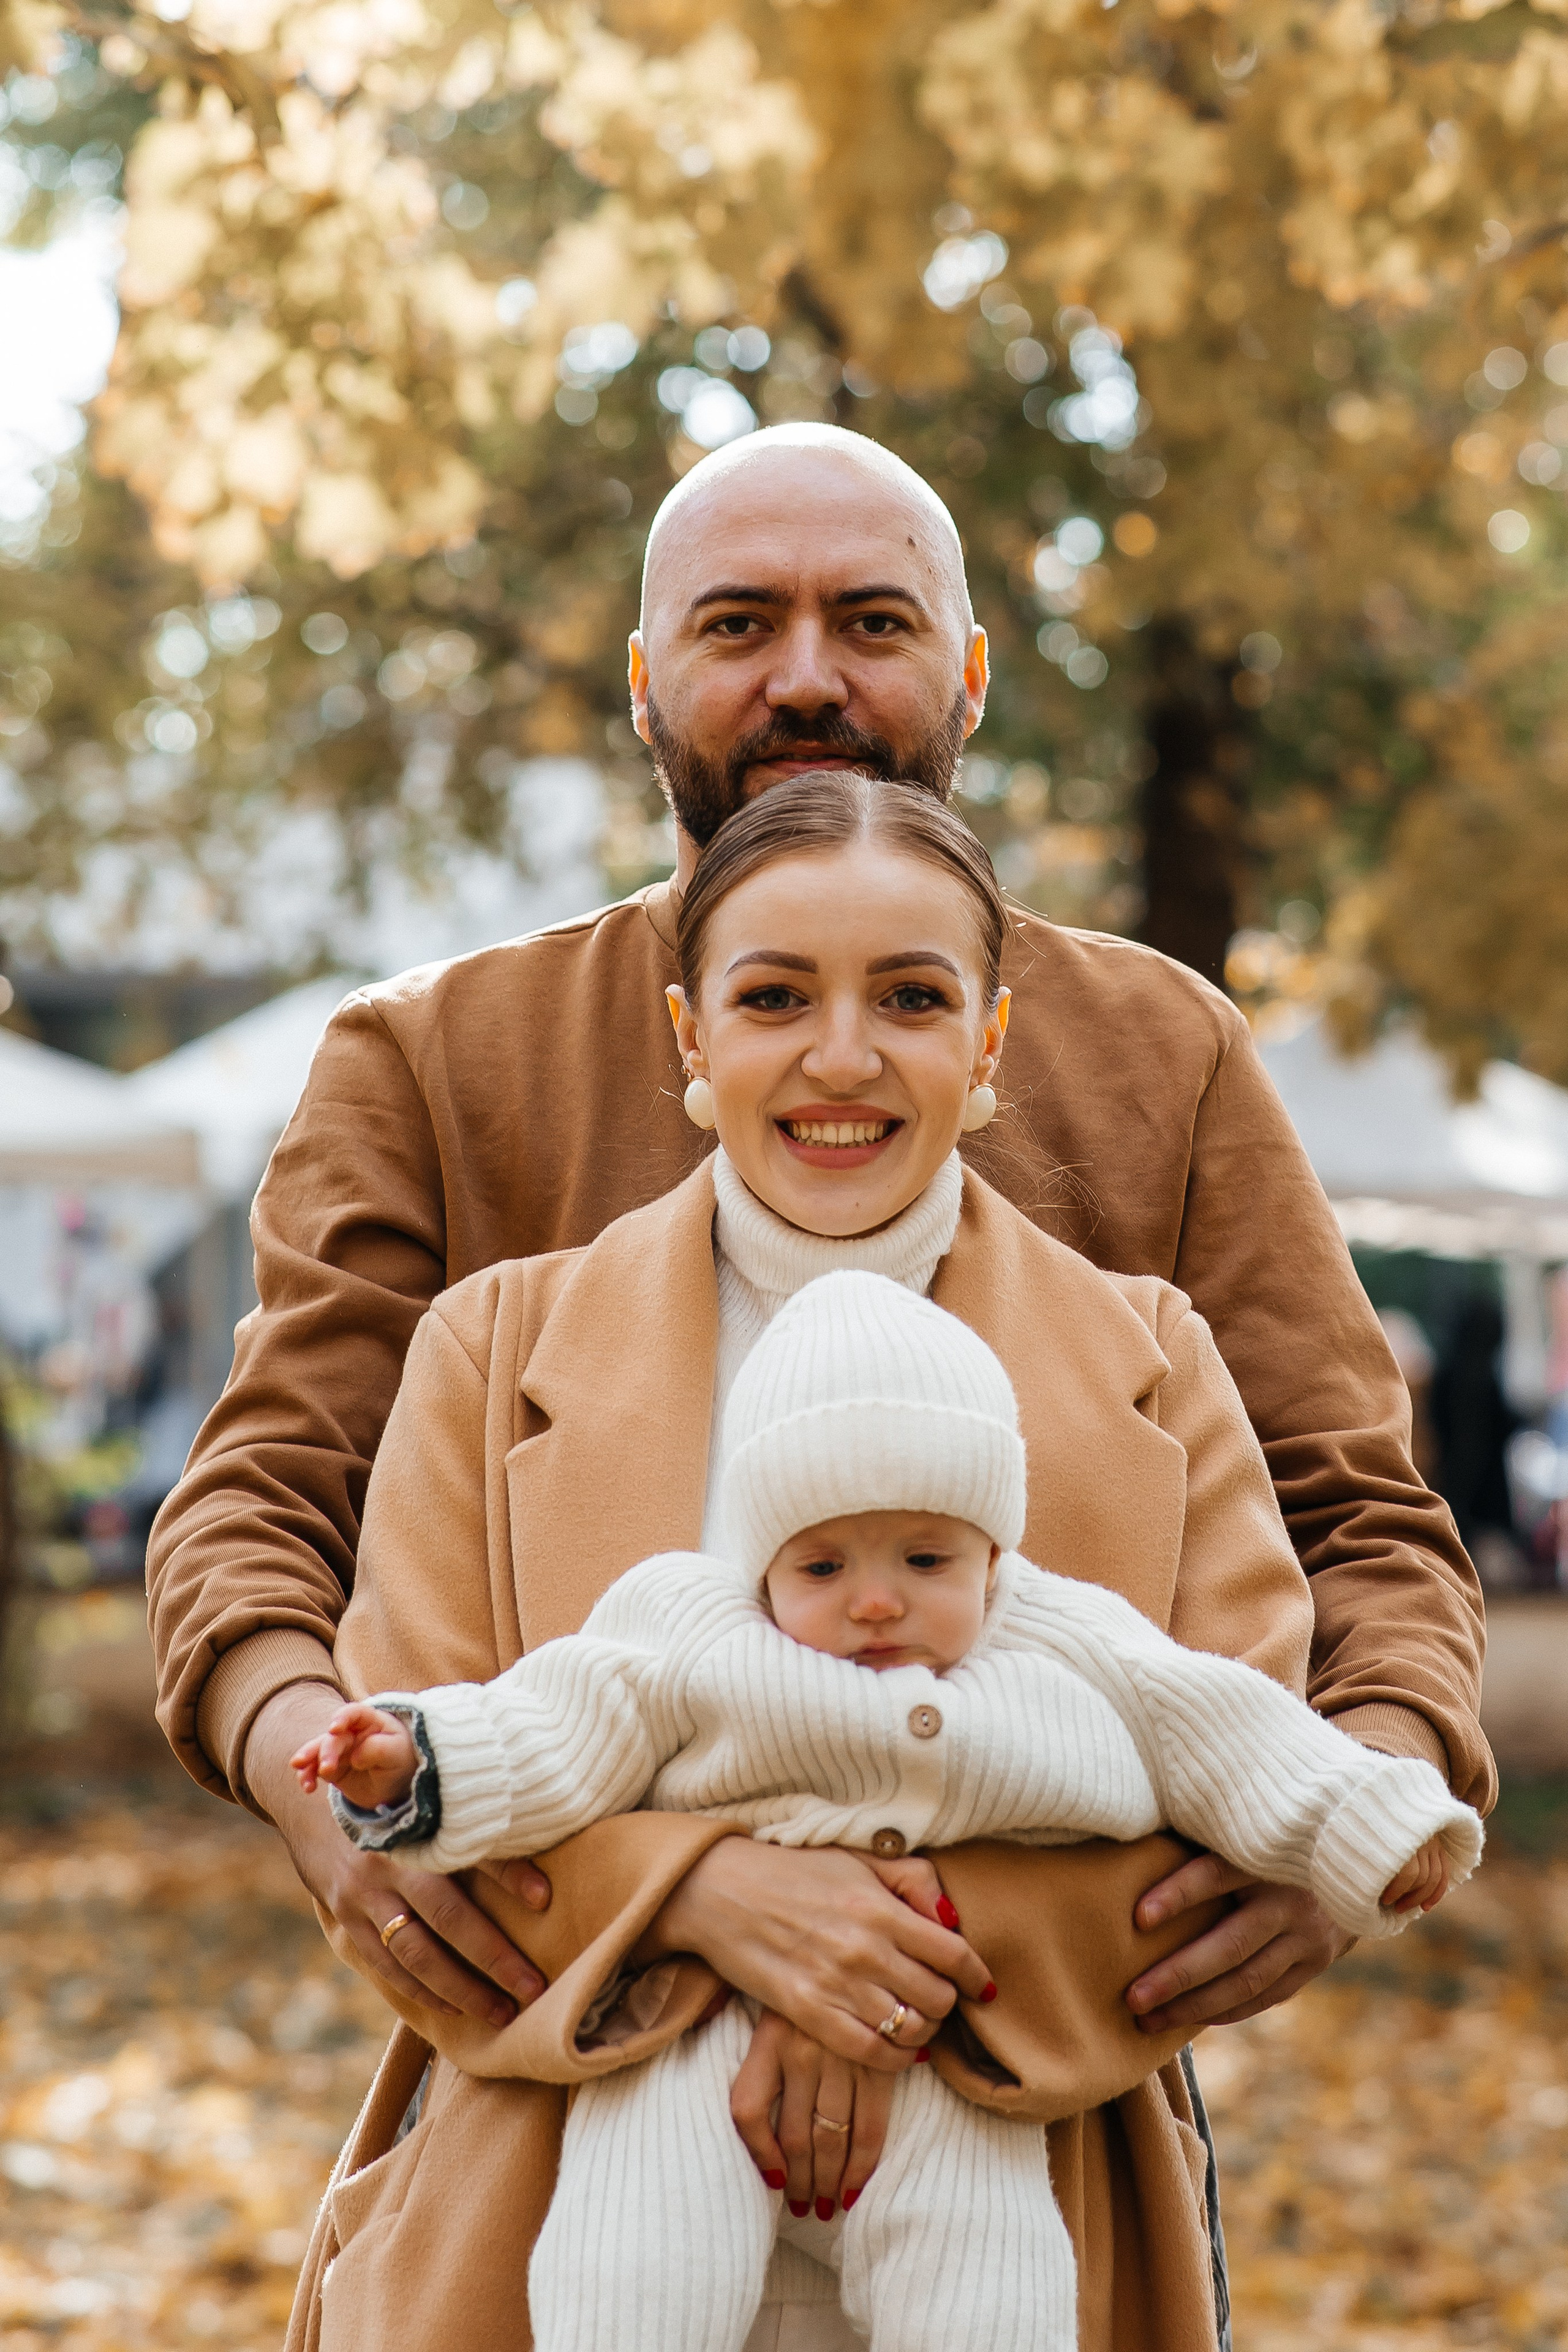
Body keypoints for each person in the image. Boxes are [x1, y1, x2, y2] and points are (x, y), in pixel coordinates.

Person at [270, 775, 1491, 2351]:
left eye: (910, 999)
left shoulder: (1153, 1360)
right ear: (691, 1038)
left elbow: (1216, 1810)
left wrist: (892, 1971)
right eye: (773, 997)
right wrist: (713, 1905)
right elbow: (418, 1844)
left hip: (1022, 2225)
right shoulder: (488, 1346)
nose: (839, 1058)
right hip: (551, 2234)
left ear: (987, 1045)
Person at [292, 1265, 1480, 2352]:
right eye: (823, 1567)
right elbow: (554, 1722)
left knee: (989, 2274)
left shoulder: (1062, 1632)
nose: (872, 1605)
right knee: (632, 2258)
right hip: (684, 2042)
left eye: (923, 1561)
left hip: (960, 2042)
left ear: (990, 1550)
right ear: (759, 1559)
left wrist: (1372, 1826)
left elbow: (1228, 1732)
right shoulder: (686, 1624)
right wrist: (413, 1759)